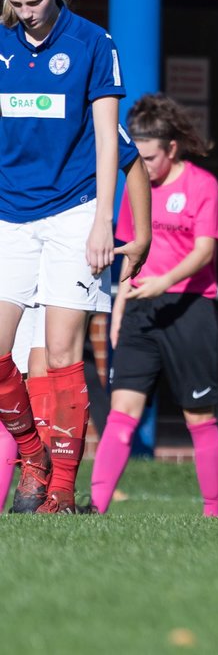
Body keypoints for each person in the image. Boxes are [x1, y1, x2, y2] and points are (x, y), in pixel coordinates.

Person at [0, 0, 148, 513]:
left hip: (71, 210)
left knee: (62, 355)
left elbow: (112, 139)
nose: (26, 13)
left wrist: (102, 223)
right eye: (15, 3)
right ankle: (31, 453)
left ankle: (59, 490)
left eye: (35, 1)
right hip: (9, 214)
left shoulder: (92, 42)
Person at [90, 95, 218, 516]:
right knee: (121, 410)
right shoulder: (138, 188)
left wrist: (165, 282)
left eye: (149, 158)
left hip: (189, 307)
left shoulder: (203, 186)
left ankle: (214, 513)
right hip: (140, 310)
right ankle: (96, 507)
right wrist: (118, 313)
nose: (143, 166)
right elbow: (130, 252)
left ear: (171, 148)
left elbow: (204, 251)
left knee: (198, 415)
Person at [1, 136, 150, 511]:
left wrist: (141, 235)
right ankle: (35, 461)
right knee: (14, 371)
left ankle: (55, 492)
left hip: (69, 238)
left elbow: (131, 161)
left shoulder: (84, 101)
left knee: (49, 363)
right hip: (16, 238)